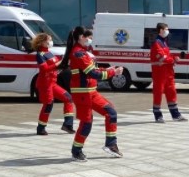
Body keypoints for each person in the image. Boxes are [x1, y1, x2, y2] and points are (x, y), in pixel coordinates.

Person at [59, 26, 123, 162]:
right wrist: (113, 73)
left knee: (111, 112)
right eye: (89, 37)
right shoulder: (78, 53)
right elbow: (92, 73)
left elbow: (92, 69)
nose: (90, 40)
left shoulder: (83, 52)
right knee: (86, 122)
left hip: (91, 91)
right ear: (81, 37)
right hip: (82, 93)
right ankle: (76, 150)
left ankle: (111, 144)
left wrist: (108, 69)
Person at [32, 32, 74, 136]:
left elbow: (56, 66)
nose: (51, 41)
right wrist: (57, 64)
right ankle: (41, 128)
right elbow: (44, 68)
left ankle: (67, 125)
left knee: (68, 98)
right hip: (45, 84)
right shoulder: (40, 54)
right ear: (42, 42)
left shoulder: (49, 53)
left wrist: (64, 63)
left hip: (52, 83)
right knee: (48, 104)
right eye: (49, 40)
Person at [150, 23, 187, 123]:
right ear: (161, 30)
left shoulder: (163, 42)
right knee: (158, 93)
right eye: (166, 29)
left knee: (171, 92)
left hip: (168, 72)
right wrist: (173, 59)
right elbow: (163, 57)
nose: (168, 31)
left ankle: (175, 114)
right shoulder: (157, 43)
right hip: (160, 73)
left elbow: (167, 56)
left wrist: (173, 59)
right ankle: (158, 115)